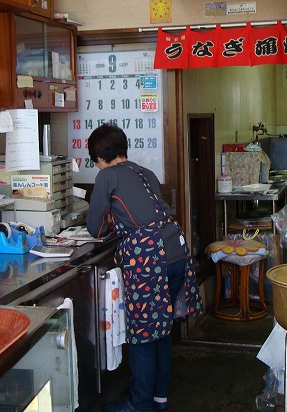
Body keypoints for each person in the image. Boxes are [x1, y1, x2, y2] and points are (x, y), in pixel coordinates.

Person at [86, 124, 203, 412]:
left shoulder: (106, 176)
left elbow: (95, 227)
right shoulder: (144, 172)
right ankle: (159, 397)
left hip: (150, 258)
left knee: (142, 334)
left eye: (94, 160)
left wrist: (112, 221)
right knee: (161, 328)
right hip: (176, 250)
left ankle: (139, 405)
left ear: (100, 158)